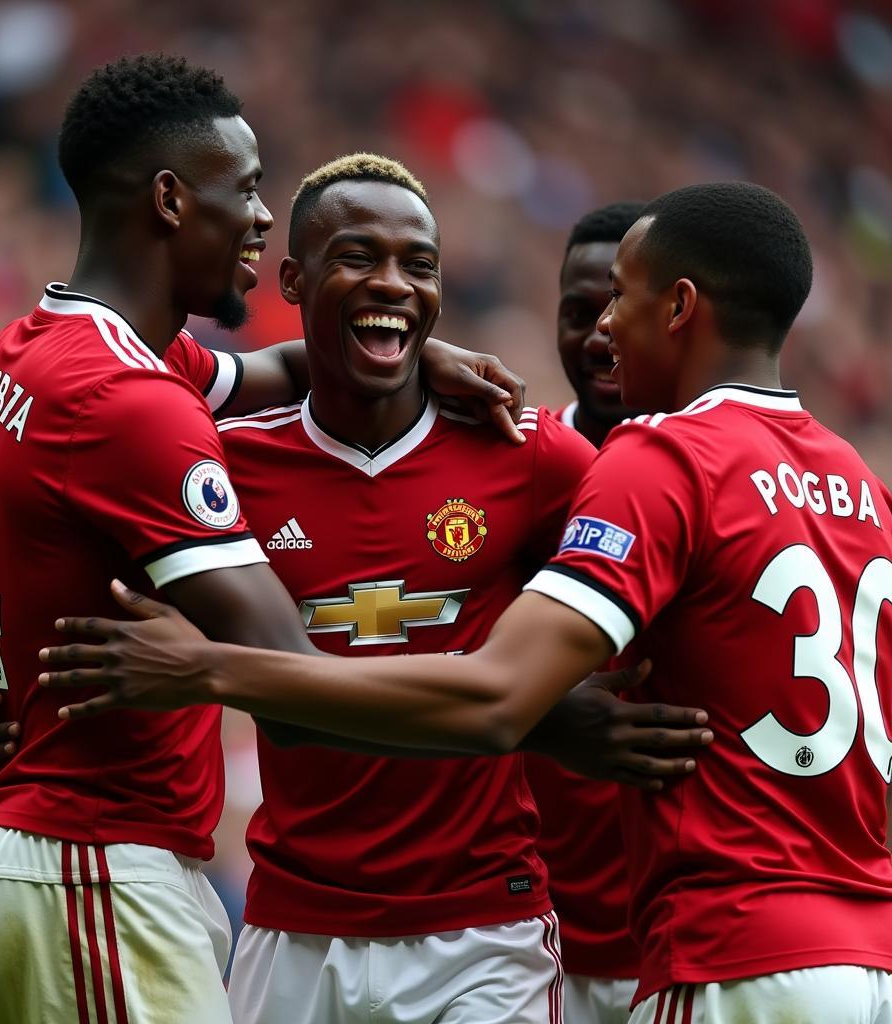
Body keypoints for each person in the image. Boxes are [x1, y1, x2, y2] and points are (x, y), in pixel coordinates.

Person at [42, 182, 892, 1024]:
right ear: (295, 282)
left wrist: (213, 670)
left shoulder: (593, 458)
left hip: (630, 941)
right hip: (859, 951)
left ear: (678, 306)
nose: (601, 330)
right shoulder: (856, 483)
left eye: (619, 300)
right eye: (358, 260)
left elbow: (496, 694)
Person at [0, 53, 530, 1024]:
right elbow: (293, 683)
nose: (261, 217)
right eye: (246, 190)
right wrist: (509, 703)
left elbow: (270, 371)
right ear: (170, 200)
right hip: (91, 868)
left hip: (9, 857)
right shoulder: (126, 401)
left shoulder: (31, 351)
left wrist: (412, 358)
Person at [219, 152, 588, 1024]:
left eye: (418, 266)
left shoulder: (527, 455)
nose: (393, 283)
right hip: (293, 932)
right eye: (359, 257)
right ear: (295, 279)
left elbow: (658, 587)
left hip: (484, 933)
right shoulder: (229, 466)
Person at [528, 201, 646, 1024]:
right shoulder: (511, 466)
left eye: (618, 308)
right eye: (578, 313)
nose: (599, 334)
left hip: (681, 937)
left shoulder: (731, 473)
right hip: (527, 936)